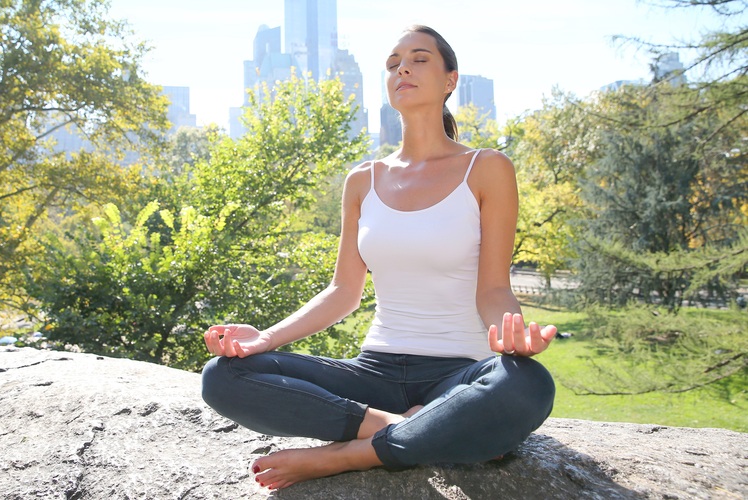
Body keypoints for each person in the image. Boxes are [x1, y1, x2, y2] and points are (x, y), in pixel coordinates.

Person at [201, 25, 557, 491]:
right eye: (392, 64)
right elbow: (343, 291)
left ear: (451, 80)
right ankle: (405, 428)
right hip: (374, 372)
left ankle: (348, 455)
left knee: (527, 384)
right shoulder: (363, 179)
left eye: (419, 58)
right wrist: (263, 339)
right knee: (223, 376)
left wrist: (514, 337)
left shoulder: (487, 168)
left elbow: (493, 288)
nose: (402, 68)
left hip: (460, 373)